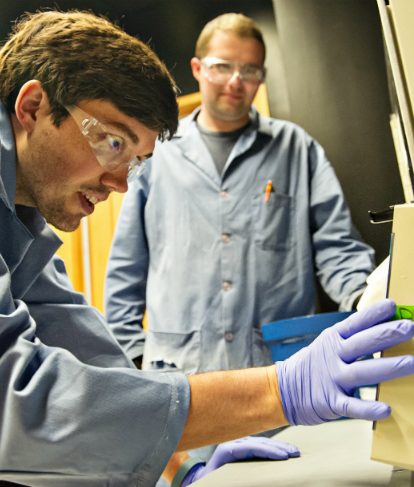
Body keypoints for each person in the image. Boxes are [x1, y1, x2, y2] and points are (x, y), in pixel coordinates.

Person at [0, 9, 414, 487]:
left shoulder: (10, 212)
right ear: (31, 106)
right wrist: (280, 390)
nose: (122, 183)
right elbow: (2, 396)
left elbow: (81, 347)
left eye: (136, 160)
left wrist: (183, 462)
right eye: (112, 143)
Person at [104, 13, 376, 376]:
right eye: (222, 66)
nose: (236, 81)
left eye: (250, 70)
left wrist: (366, 300)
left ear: (261, 78)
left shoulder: (296, 149)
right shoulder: (157, 152)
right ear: (198, 68)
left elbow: (337, 246)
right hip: (179, 375)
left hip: (280, 375)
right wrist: (132, 357)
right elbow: (126, 267)